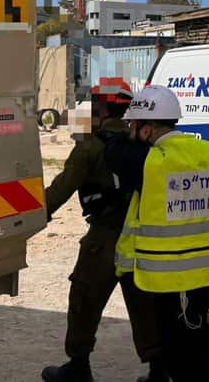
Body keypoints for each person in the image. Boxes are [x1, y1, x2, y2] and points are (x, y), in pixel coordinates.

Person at [106, 85, 209, 382]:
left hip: (172, 277)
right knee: (196, 335)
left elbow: (114, 150)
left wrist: (116, 130)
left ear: (146, 129)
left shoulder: (148, 162)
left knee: (183, 353)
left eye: (133, 125)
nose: (130, 130)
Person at [41, 78, 164, 382]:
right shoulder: (145, 143)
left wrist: (27, 218)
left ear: (103, 108)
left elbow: (58, 193)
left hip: (104, 240)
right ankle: (159, 371)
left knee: (84, 299)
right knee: (145, 304)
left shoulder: (90, 147)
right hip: (140, 238)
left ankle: (78, 367)